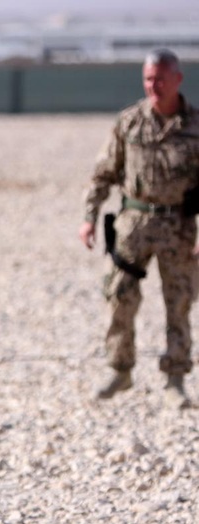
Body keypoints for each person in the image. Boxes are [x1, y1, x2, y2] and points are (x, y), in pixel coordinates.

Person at [79, 49, 199, 408]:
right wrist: (89, 217)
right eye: (148, 78)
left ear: (177, 79)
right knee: (119, 294)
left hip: (178, 227)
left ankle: (175, 379)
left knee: (178, 303)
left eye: (161, 78)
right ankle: (120, 369)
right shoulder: (129, 122)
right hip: (133, 225)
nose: (154, 85)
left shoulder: (195, 127)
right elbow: (103, 173)